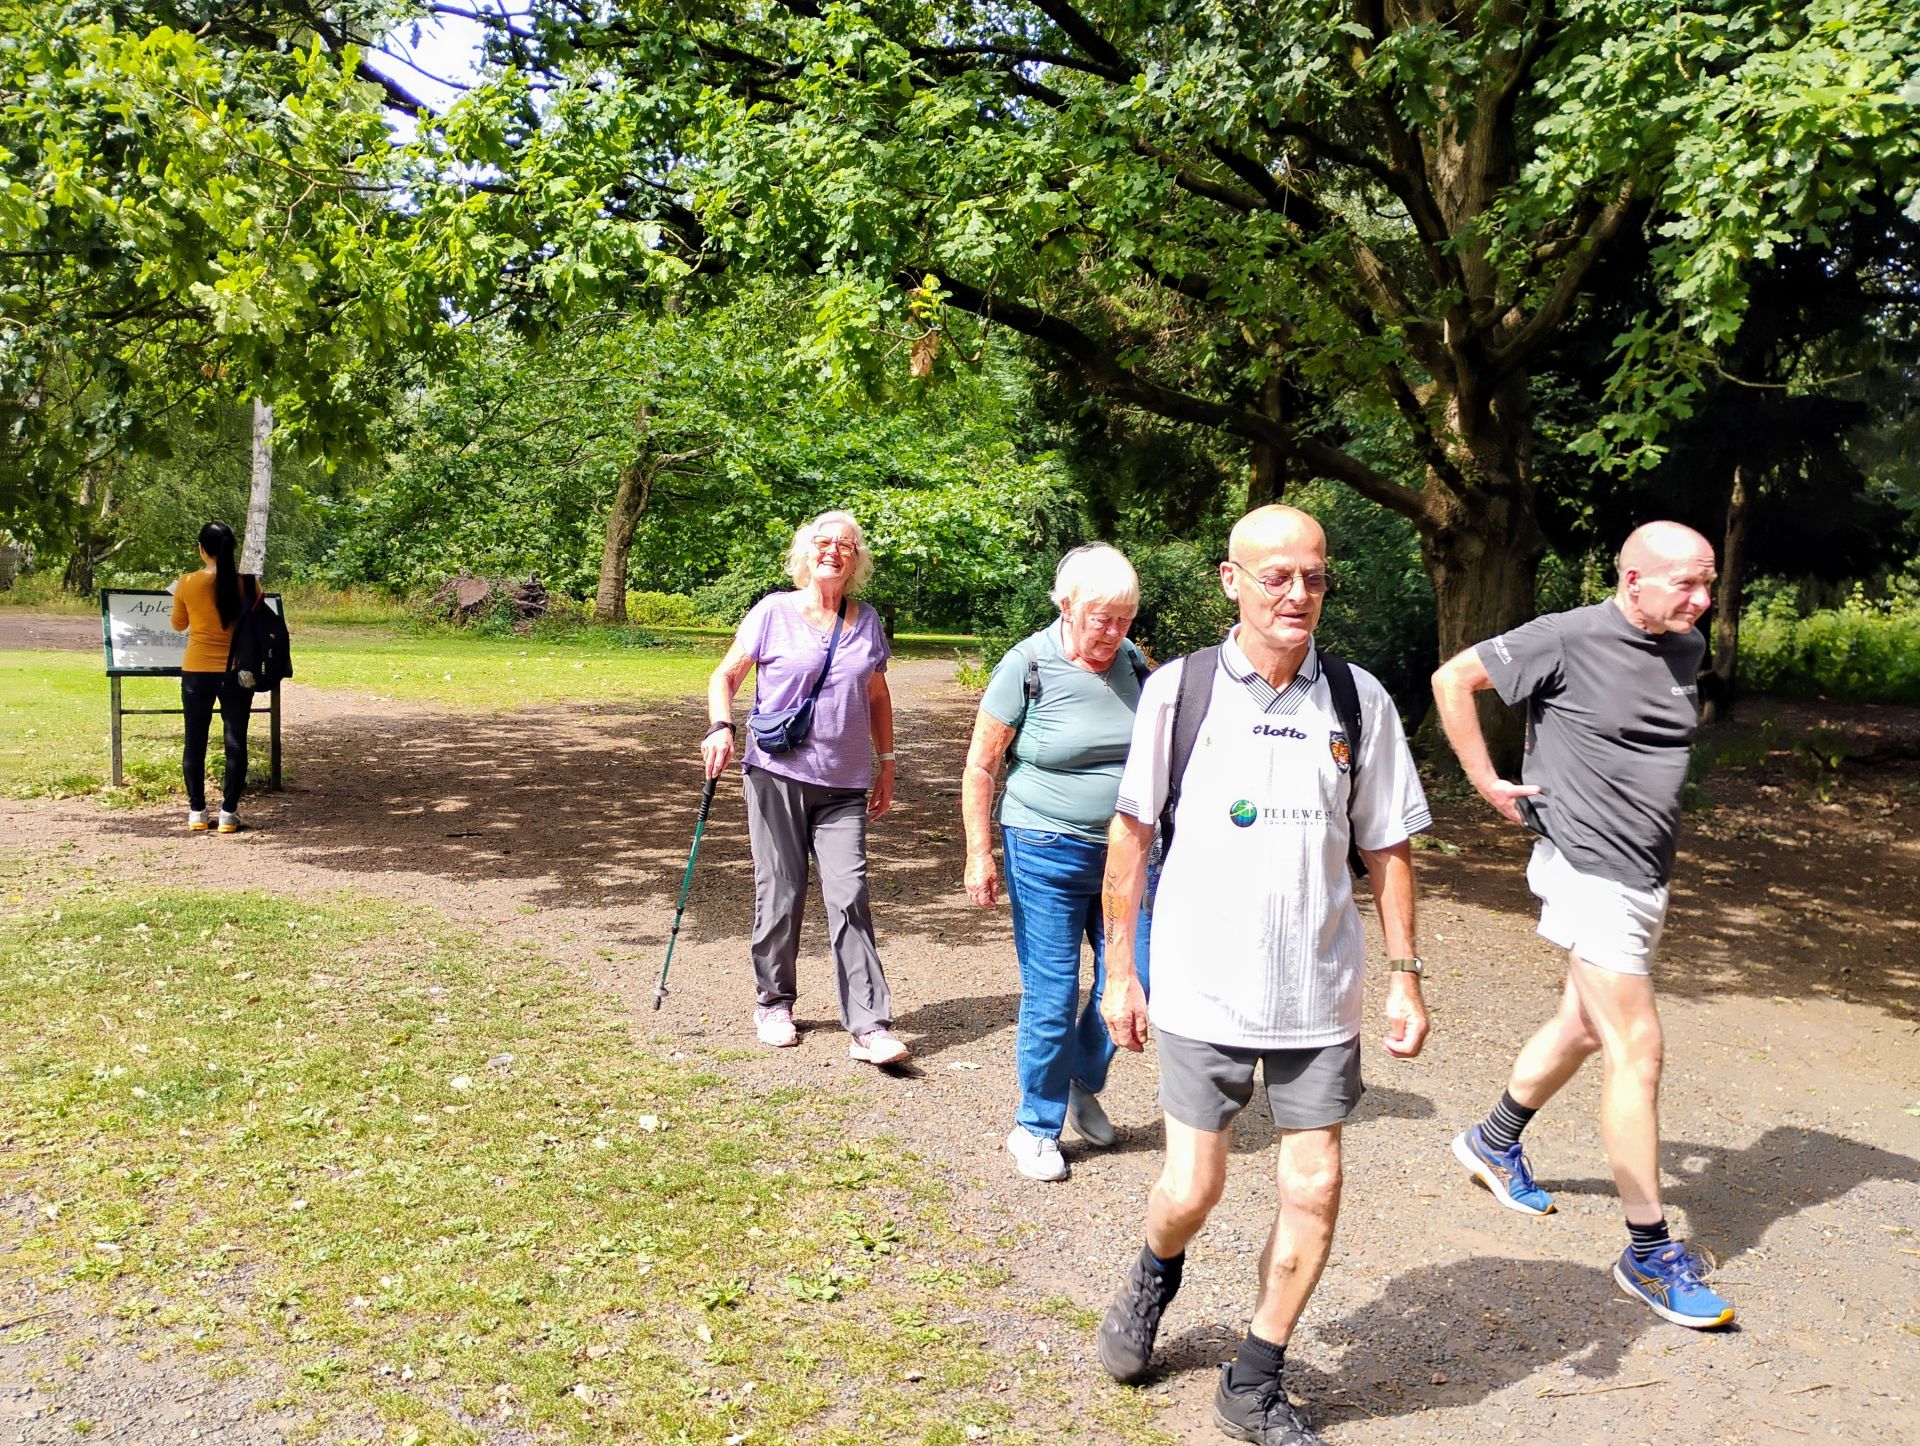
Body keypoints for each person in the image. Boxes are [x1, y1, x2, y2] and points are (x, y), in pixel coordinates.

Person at [1094, 505, 1433, 1445]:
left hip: (1320, 993)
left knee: (1315, 1185)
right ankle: (1156, 1270)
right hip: (1204, 985)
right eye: (1276, 575)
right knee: (1192, 1189)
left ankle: (1255, 1377)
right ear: (1229, 580)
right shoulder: (1180, 692)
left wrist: (1405, 974)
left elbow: (1390, 847)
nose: (1298, 594)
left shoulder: (1359, 700)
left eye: (1314, 577)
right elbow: (1130, 837)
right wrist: (1122, 975)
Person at [1432, 520, 1734, 1329]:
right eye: (1686, 584)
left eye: (1709, 583)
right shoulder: (1564, 636)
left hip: (1644, 875)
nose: (1703, 600)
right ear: (1632, 580)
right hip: (1587, 867)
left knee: (1584, 1025)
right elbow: (1452, 678)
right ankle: (1647, 1250)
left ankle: (1494, 1141)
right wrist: (1486, 779)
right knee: (1639, 1047)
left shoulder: (1684, 650)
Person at [961, 543, 1153, 1183]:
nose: (1114, 632)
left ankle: (1079, 1076)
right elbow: (982, 765)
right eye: (1101, 618)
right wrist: (978, 851)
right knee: (1050, 992)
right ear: (1065, 605)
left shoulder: (1131, 661)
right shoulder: (1027, 663)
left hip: (1121, 855)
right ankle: (1035, 1127)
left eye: (1124, 618)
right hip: (1043, 845)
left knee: (1136, 978)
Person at [701, 510, 908, 1067]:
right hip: (776, 774)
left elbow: (878, 696)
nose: (834, 551)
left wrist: (886, 761)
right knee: (782, 890)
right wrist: (721, 727)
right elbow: (725, 676)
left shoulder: (867, 622)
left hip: (844, 783)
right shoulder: (773, 612)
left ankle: (869, 1025)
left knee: (850, 895)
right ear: (805, 553)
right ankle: (773, 1002)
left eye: (845, 545)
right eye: (823, 542)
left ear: (856, 559)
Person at [170, 521, 255, 834]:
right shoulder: (249, 584)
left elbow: (179, 625)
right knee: (235, 740)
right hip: (235, 672)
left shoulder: (187, 582)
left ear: (201, 549)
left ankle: (197, 812)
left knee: (195, 741)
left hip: (196, 671)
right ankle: (229, 813)